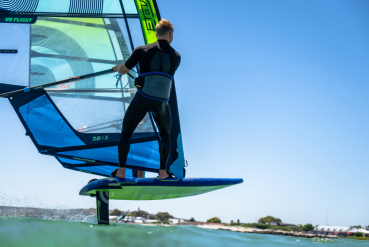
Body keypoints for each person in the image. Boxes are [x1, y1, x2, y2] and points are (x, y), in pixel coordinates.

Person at [112, 19, 181, 180]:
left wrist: (117, 68)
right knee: (165, 136)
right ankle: (163, 172)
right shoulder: (177, 56)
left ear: (156, 34)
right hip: (161, 103)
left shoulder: (141, 50)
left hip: (142, 99)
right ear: (170, 34)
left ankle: (121, 171)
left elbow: (123, 70)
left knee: (126, 133)